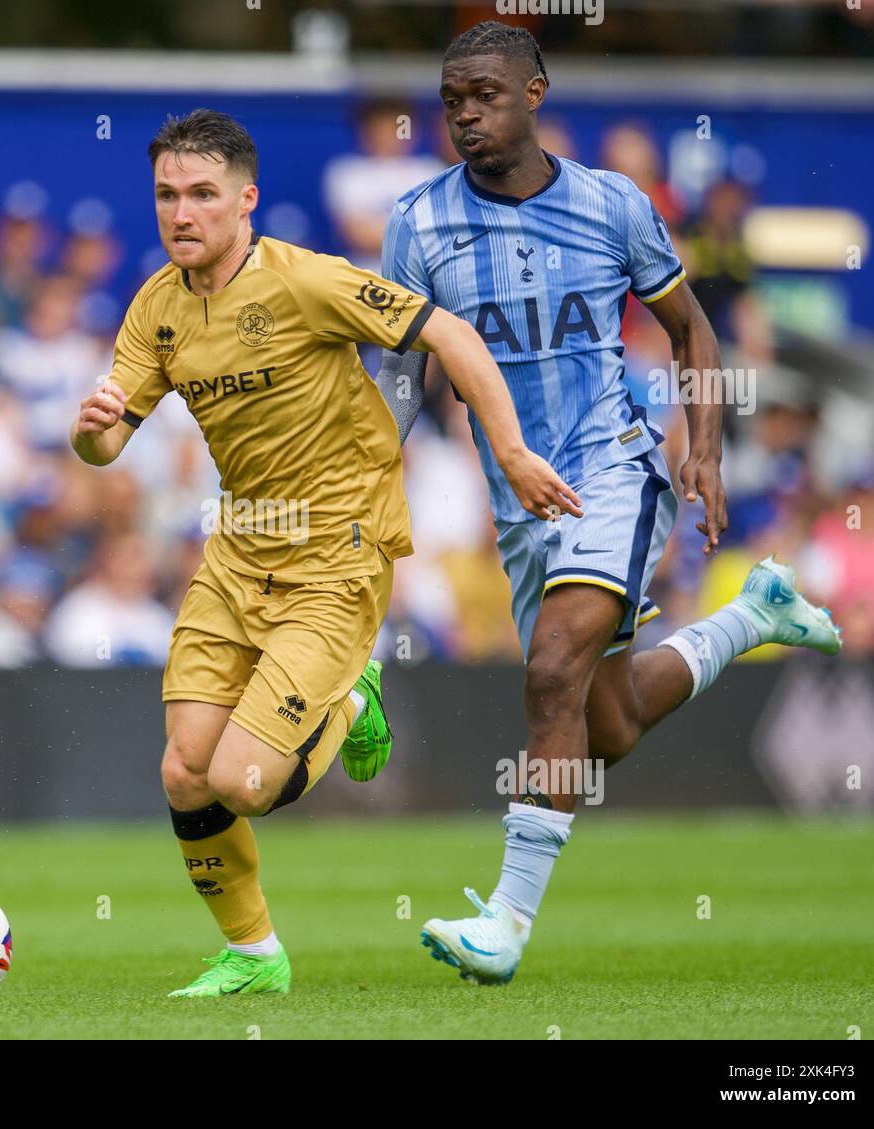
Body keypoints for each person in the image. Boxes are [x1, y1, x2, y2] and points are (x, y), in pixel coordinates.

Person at [373, 21, 843, 985]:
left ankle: (505, 918)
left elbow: (692, 325)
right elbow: (398, 374)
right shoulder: (416, 224)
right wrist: (371, 476)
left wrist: (703, 447)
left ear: (535, 92)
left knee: (550, 673)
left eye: (484, 96)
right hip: (517, 503)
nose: (465, 114)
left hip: (613, 468)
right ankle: (754, 614)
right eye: (451, 99)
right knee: (606, 725)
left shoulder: (611, 205)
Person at [71, 108, 577, 998]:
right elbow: (106, 448)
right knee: (186, 768)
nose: (180, 213)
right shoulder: (156, 307)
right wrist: (93, 435)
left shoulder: (305, 282)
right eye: (165, 195)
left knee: (246, 779)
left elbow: (449, 335)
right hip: (237, 553)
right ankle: (256, 954)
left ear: (246, 201)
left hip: (334, 552)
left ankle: (353, 689)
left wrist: (509, 450)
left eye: (201, 195)